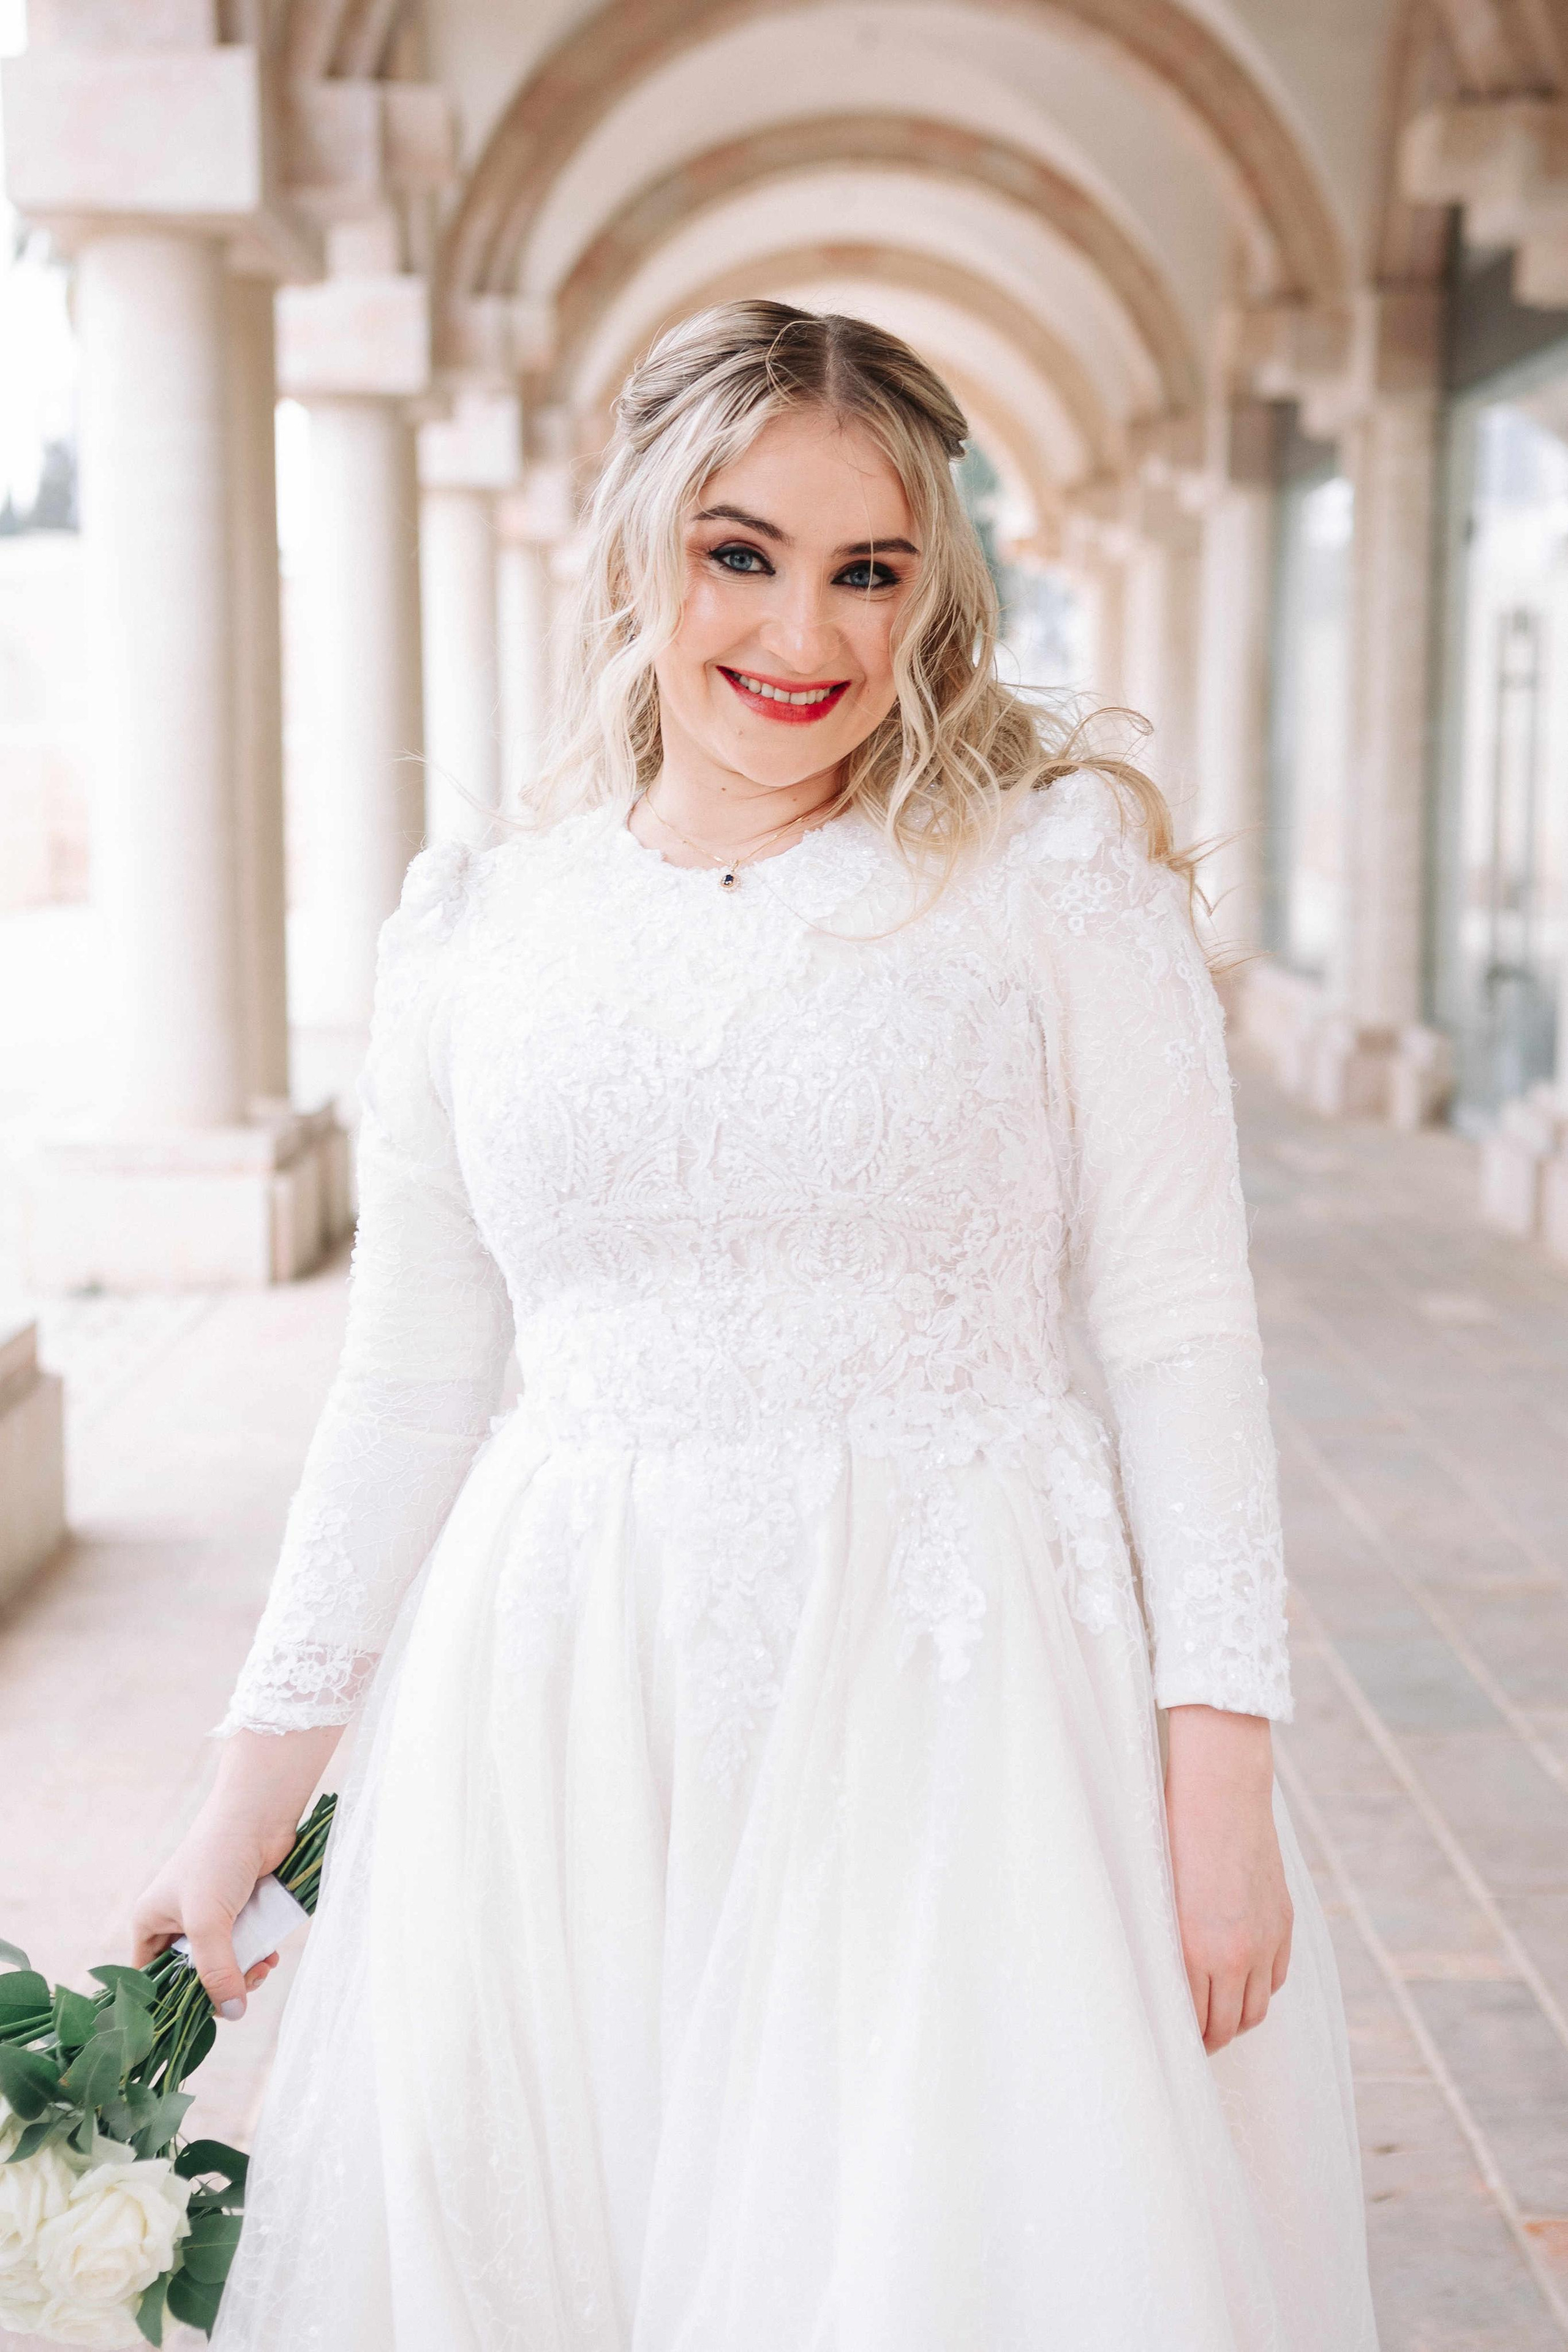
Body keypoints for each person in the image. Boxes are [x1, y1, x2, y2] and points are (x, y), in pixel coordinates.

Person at [133, 301, 1379, 2350]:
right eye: (744, 552)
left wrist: (1220, 1781)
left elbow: (1179, 1335)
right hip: (558, 1705)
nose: (804, 631)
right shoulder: (478, 929)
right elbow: (413, 1380)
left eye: (868, 568)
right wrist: (239, 1801)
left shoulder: (1058, 884)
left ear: (931, 590)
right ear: (641, 553)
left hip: (953, 1694)